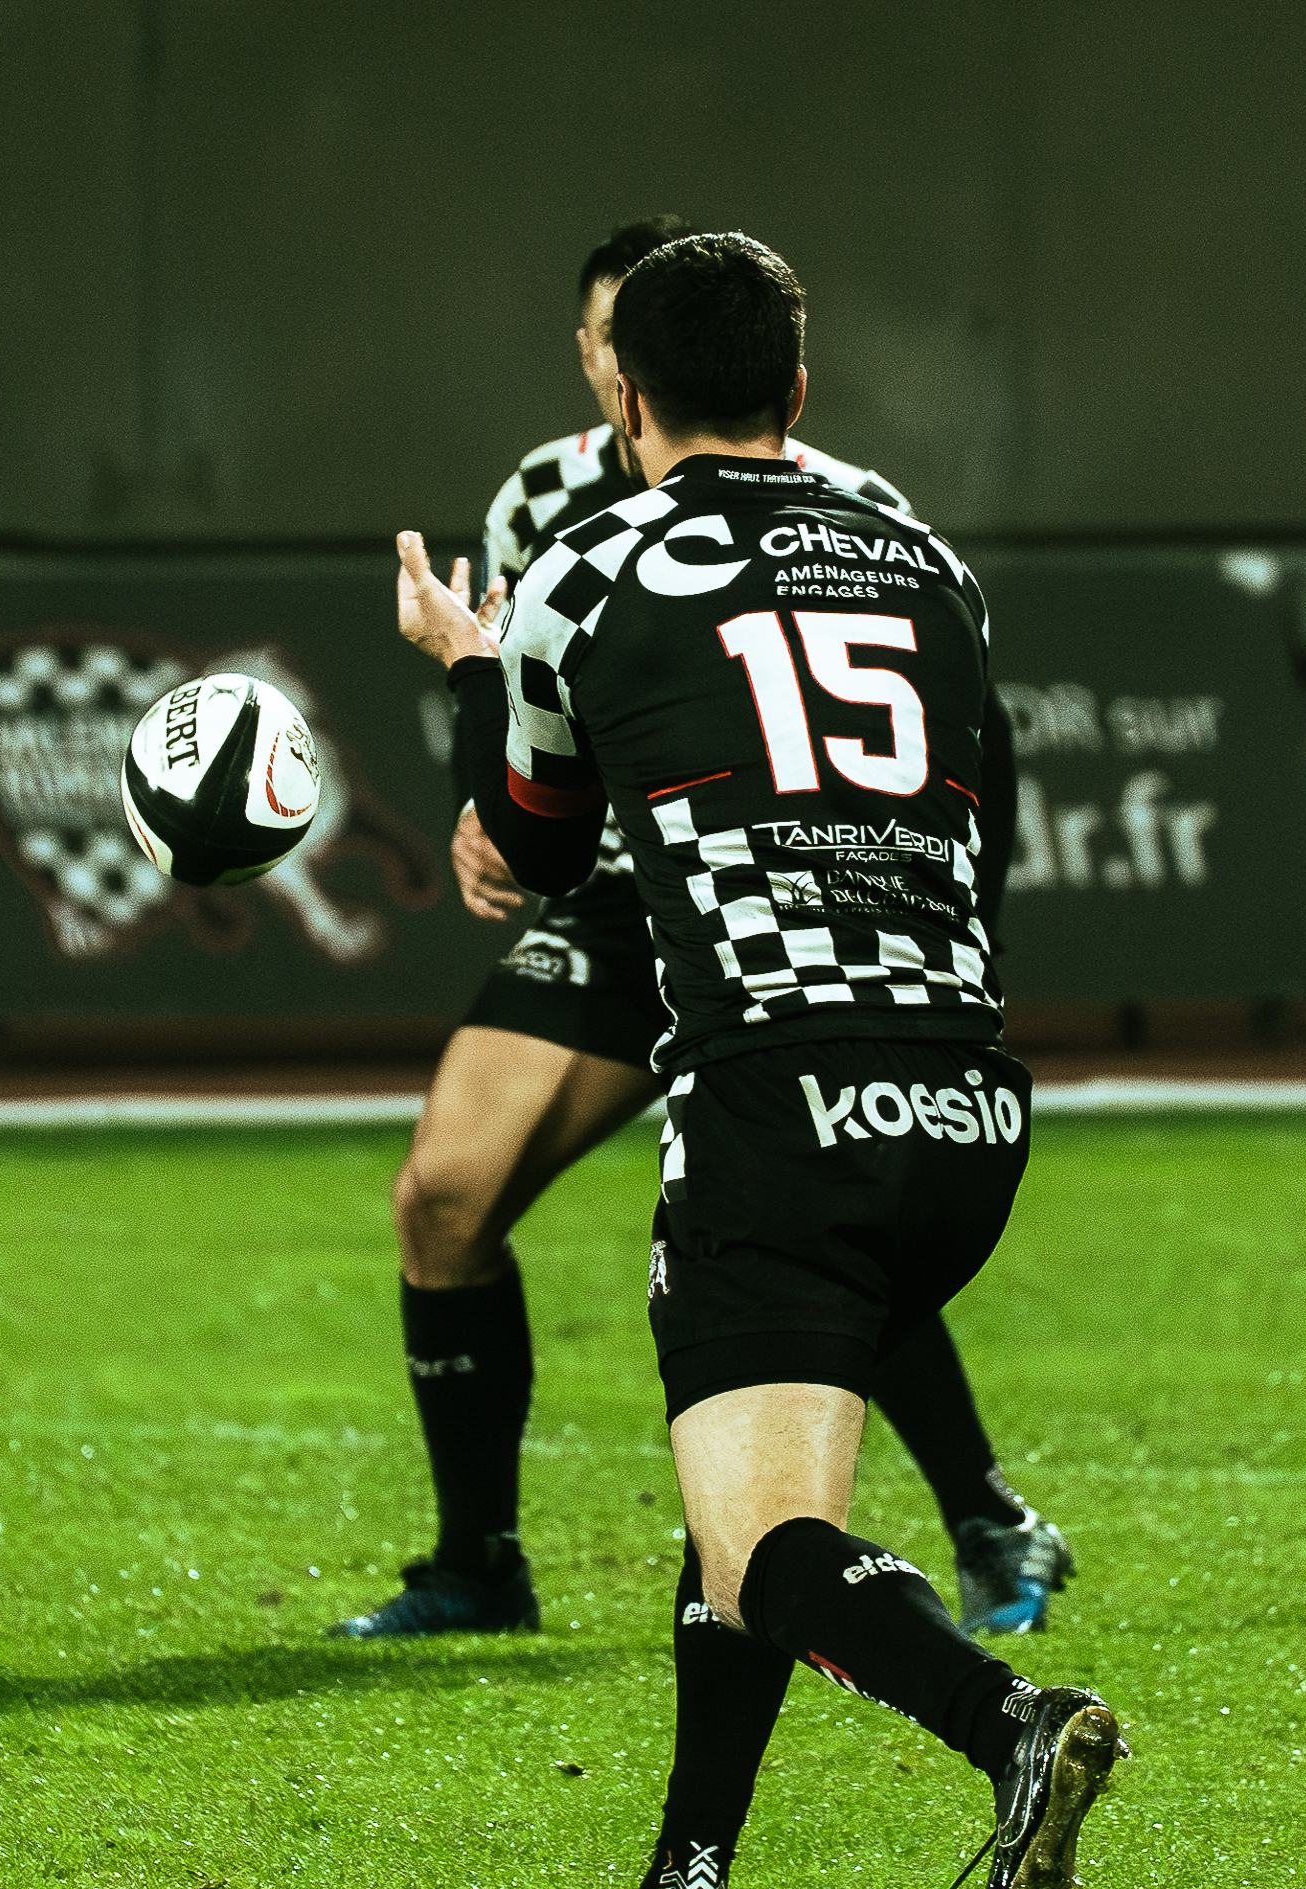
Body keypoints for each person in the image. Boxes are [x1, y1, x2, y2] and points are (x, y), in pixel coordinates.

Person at [394, 233, 1125, 1889]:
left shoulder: (587, 558)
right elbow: (984, 821)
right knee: (741, 1481)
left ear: (624, 392)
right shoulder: (925, 558)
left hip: (775, 1096)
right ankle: (685, 1883)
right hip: (965, 1102)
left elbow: (536, 846)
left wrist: (472, 663)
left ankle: (1009, 1722)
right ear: (798, 388)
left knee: (768, 1546)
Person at [331, 217, 1073, 1645]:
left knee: (808, 1215)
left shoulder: (852, 510)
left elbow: (972, 744)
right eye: (607, 329)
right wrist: (480, 807)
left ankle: (984, 1513)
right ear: (592, 359)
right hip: (616, 904)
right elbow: (530, 732)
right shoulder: (540, 499)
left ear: (641, 378)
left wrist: (948, 933)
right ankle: (478, 1564)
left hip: (771, 911)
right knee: (443, 1199)